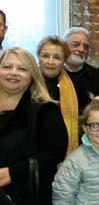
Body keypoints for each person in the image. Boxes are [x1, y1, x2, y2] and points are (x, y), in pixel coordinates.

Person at [0, 47, 68, 205]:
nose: (14, 72)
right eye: (7, 67)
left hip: (26, 195)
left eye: (22, 69)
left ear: (32, 75)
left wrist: (13, 173)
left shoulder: (45, 110)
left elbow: (55, 152)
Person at [37, 36, 90, 155]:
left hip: (64, 152)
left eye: (57, 57)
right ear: (38, 57)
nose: (50, 61)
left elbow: (86, 117)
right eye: (45, 56)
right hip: (32, 151)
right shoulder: (26, 83)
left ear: (64, 61)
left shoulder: (76, 86)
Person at [63, 27, 99, 95]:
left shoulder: (96, 76)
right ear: (63, 46)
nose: (81, 49)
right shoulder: (53, 72)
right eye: (75, 44)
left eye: (86, 47)